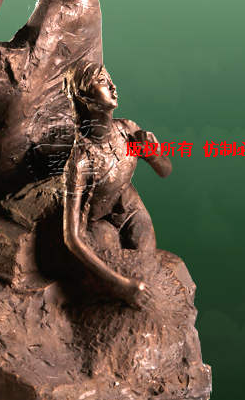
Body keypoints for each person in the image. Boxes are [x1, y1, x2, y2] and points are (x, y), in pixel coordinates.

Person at [62, 61, 172, 308]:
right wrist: (121, 285)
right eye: (102, 81)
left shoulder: (127, 130)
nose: (113, 86)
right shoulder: (81, 161)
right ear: (84, 97)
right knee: (114, 273)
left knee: (146, 266)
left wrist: (154, 155)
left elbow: (165, 171)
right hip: (96, 221)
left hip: (130, 208)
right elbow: (72, 238)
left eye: (110, 79)